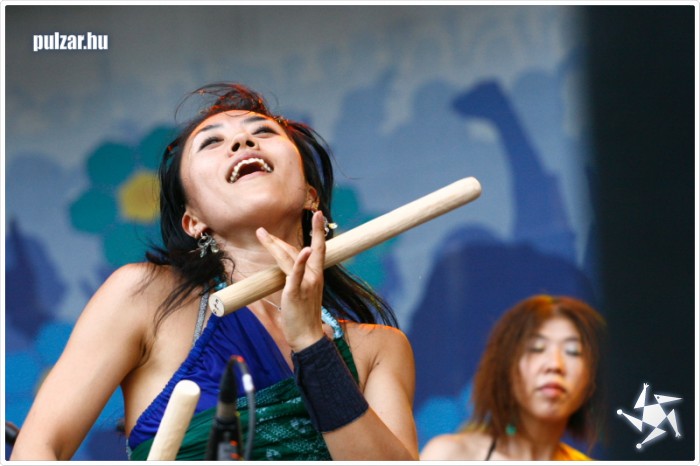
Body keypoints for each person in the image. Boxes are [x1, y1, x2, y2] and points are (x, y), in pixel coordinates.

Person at [11, 83, 418, 461]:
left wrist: (313, 346)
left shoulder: (378, 349)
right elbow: (39, 448)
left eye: (264, 132)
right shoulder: (144, 298)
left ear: (311, 195)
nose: (242, 142)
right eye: (211, 142)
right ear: (194, 221)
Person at [420, 294, 606, 461]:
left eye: (573, 351)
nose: (555, 365)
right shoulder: (451, 456)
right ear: (505, 367)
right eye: (536, 348)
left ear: (592, 380)